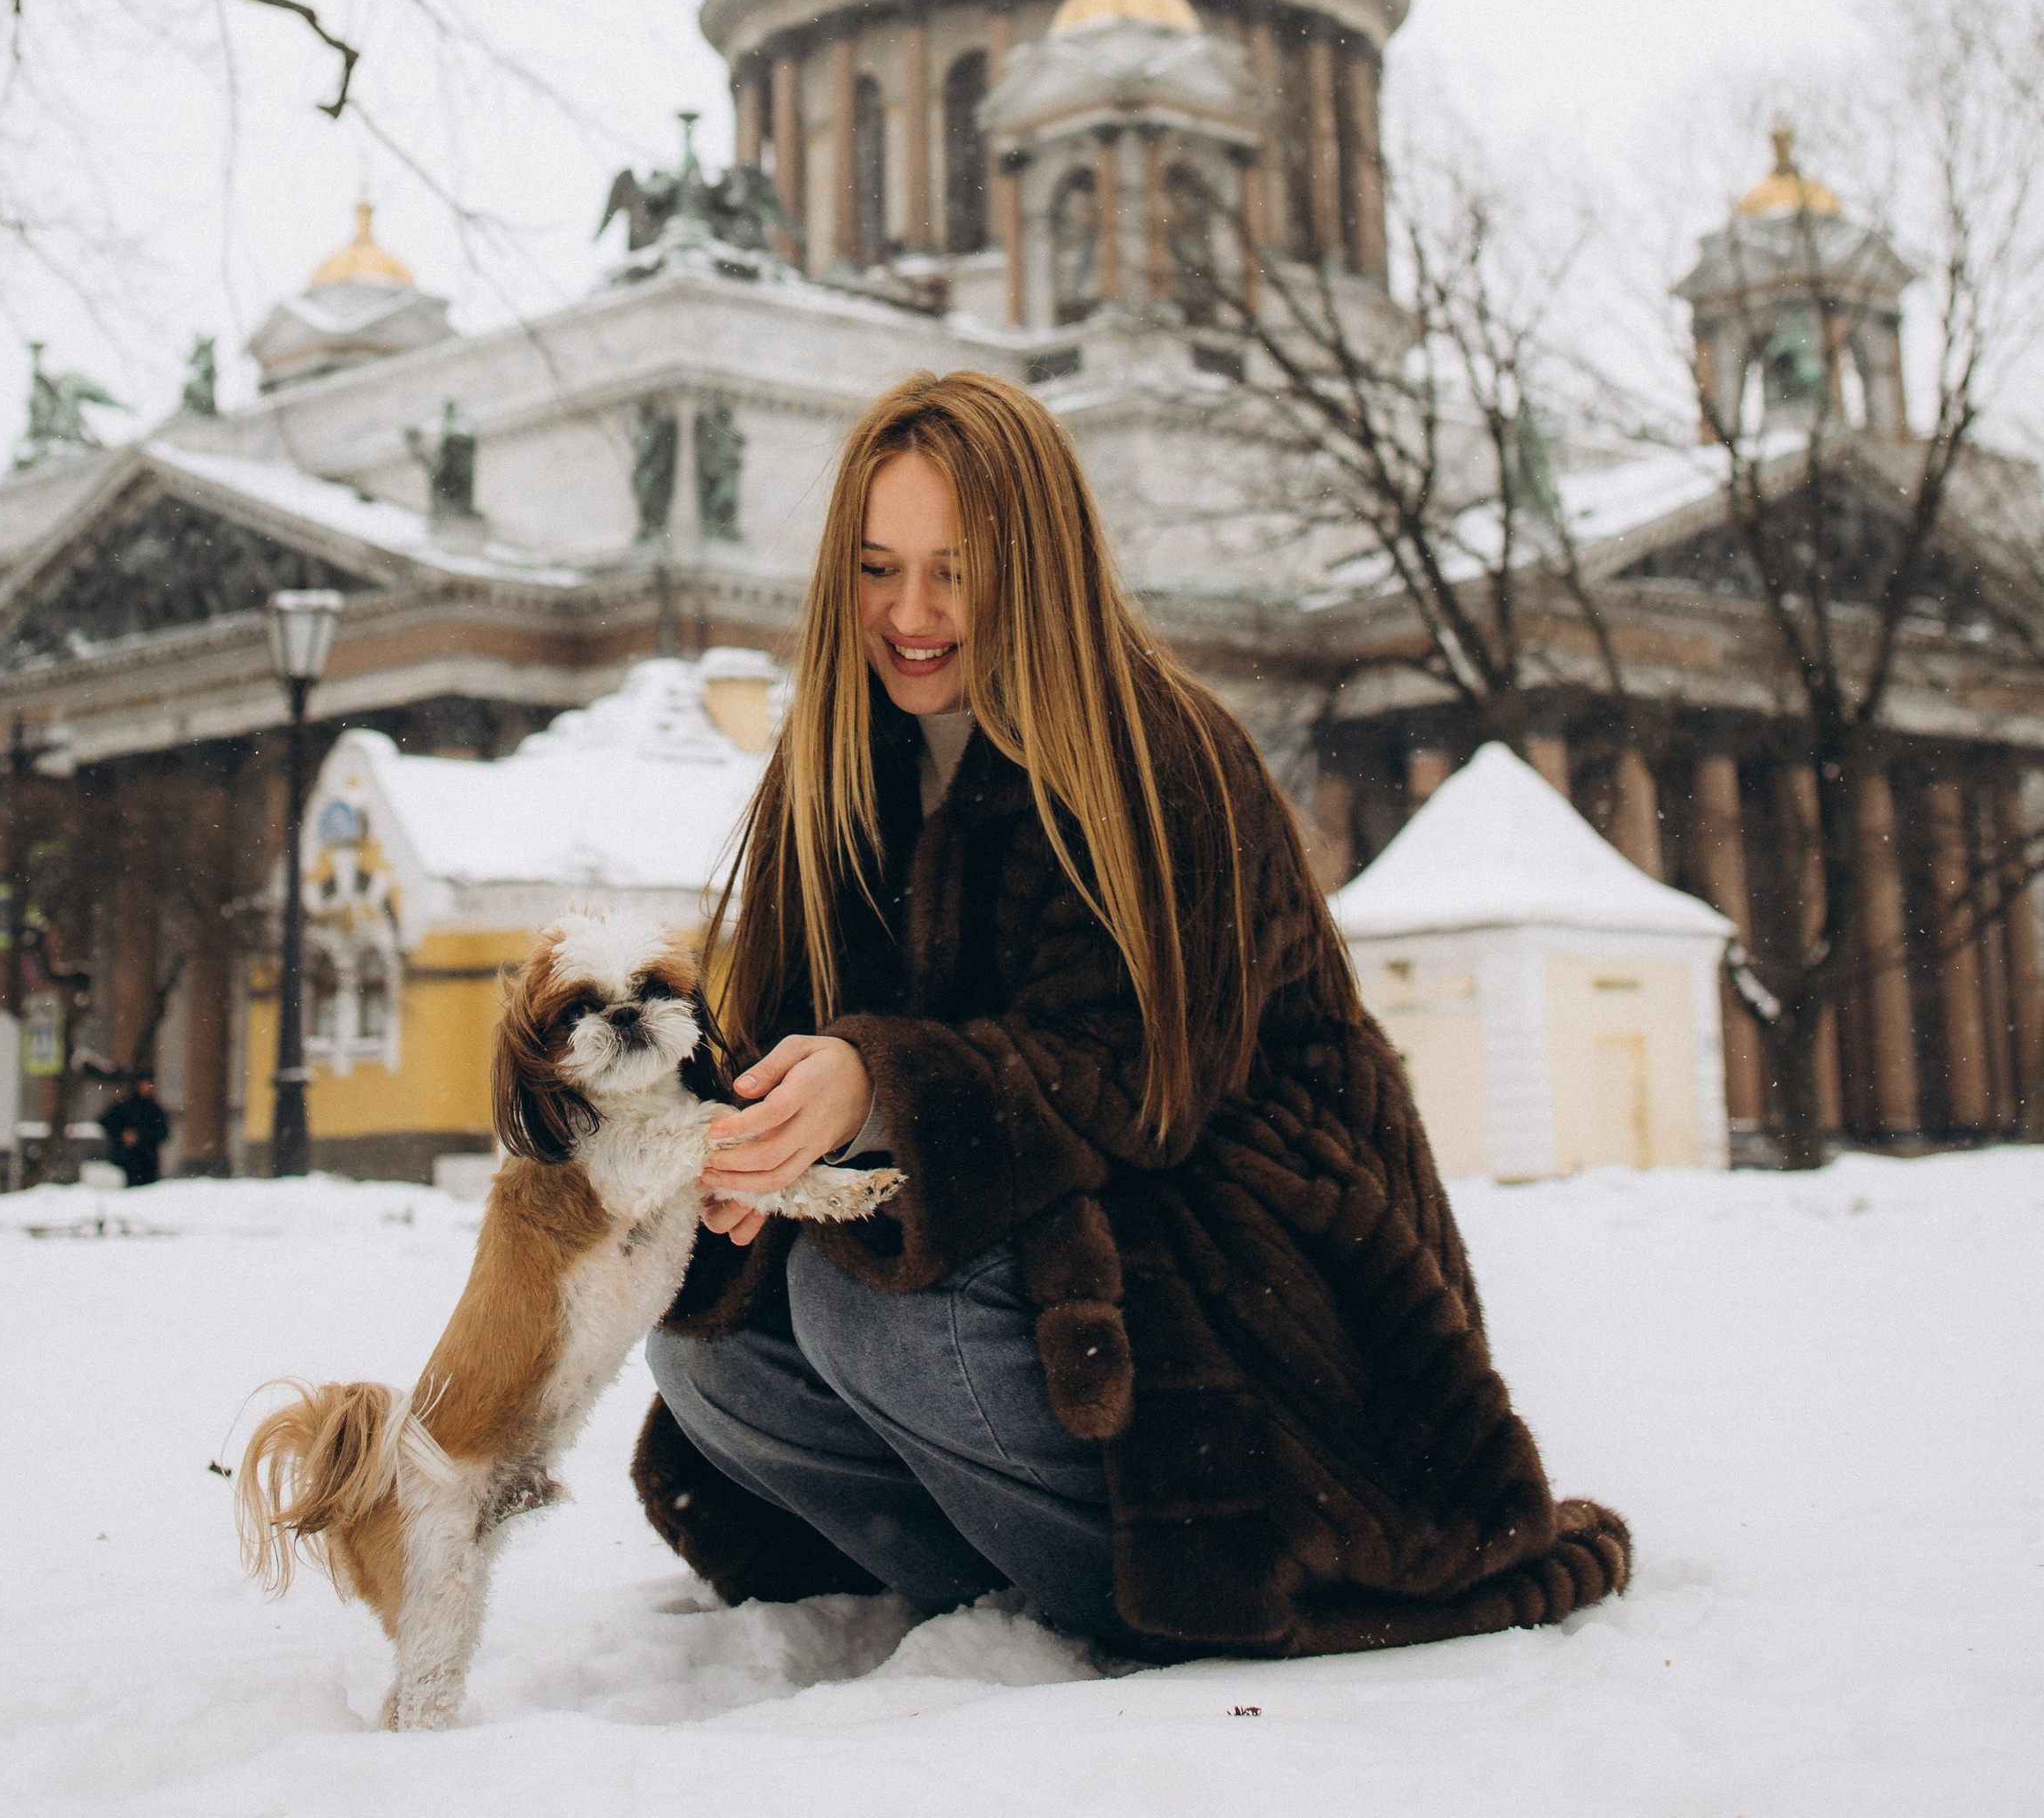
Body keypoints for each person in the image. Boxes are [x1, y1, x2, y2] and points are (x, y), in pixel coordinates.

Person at [640, 370, 1629, 1661]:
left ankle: (1188, 1587)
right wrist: (745, 1148)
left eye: (956, 570)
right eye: (879, 569)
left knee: (870, 1308)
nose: (913, 615)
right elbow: (784, 1033)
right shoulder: (835, 770)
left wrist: (878, 1091)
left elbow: (1136, 1081)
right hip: (1042, 1282)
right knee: (708, 1339)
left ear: (1035, 566)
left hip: (1253, 1294)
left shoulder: (1162, 756)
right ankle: (997, 1593)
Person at [98, 1071, 170, 1188]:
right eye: (146, 1084)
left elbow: (163, 1132)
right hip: (124, 1162)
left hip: (148, 1164)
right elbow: (106, 1122)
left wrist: (141, 1137)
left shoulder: (155, 1109)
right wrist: (123, 1134)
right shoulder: (124, 1106)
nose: (148, 1088)